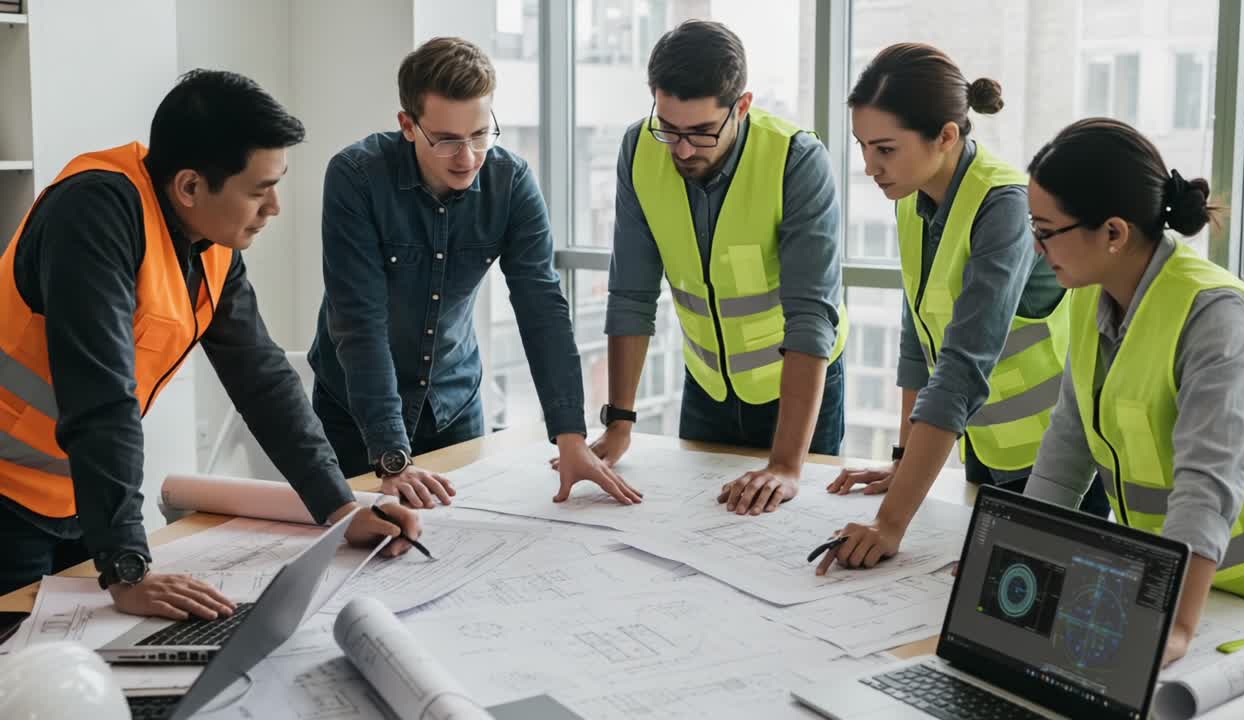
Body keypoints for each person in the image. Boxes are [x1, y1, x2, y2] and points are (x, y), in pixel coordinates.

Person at [0, 70, 420, 616]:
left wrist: (341, 509)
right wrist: (127, 566)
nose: (275, 209)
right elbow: (100, 394)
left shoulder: (209, 244)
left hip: (77, 497)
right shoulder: (92, 214)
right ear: (191, 187)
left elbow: (262, 379)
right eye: (260, 190)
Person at [308, 37, 640, 508]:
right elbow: (359, 322)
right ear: (408, 125)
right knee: (361, 553)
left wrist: (571, 436)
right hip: (356, 415)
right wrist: (392, 457)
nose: (467, 158)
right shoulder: (355, 177)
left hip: (453, 407)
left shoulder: (511, 181)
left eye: (480, 135)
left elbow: (541, 306)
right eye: (446, 140)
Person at [818, 43, 1105, 574]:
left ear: (946, 136)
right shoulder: (913, 196)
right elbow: (917, 338)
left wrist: (889, 523)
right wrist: (903, 465)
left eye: (885, 149)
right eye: (862, 147)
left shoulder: (1006, 205)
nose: (868, 167)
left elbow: (961, 368)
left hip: (1061, 467)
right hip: (988, 452)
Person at [1024, 118, 1244, 664]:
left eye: (1045, 231)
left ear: (1113, 233)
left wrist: (1178, 626)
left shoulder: (1214, 315)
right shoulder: (1091, 296)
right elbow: (1067, 447)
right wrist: (1017, 557)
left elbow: (1206, 480)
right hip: (1191, 585)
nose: (1037, 247)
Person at [577, 19, 848, 515]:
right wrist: (619, 422)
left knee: (789, 533)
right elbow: (631, 295)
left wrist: (786, 467)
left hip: (799, 394)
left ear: (742, 107)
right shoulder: (638, 150)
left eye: (701, 132)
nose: (681, 149)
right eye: (669, 128)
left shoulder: (796, 159)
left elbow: (811, 316)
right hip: (706, 387)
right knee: (698, 529)